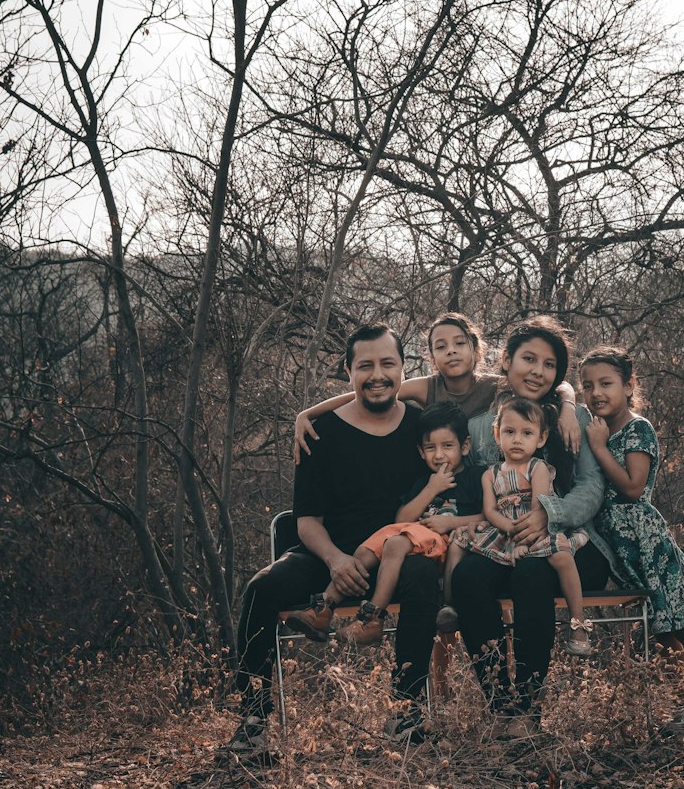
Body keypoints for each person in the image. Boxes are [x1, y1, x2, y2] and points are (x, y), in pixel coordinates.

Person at [225, 323, 440, 759]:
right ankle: (252, 721)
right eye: (365, 365)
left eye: (388, 364)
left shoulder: (423, 428)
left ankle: (406, 710)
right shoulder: (320, 434)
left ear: (403, 369)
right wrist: (336, 559)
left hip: (397, 555)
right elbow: (306, 521)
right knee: (262, 588)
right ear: (348, 372)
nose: (377, 374)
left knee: (421, 574)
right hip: (327, 554)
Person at [451, 316, 612, 738]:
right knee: (467, 576)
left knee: (533, 573)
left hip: (570, 545)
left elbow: (592, 489)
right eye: (528, 359)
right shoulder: (481, 426)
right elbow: (477, 490)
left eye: (549, 364)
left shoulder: (570, 418)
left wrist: (548, 512)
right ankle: (498, 704)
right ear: (507, 361)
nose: (538, 371)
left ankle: (526, 707)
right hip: (502, 536)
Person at [581, 345, 684, 721]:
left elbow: (634, 488)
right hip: (615, 543)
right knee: (658, 626)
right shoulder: (593, 427)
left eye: (606, 383)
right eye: (587, 385)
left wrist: (600, 450)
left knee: (681, 621)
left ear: (629, 385)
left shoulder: (638, 428)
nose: (596, 392)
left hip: (643, 538)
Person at [292, 311, 583, 459]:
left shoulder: (493, 385)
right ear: (432, 358)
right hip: (441, 464)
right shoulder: (426, 387)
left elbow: (556, 386)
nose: (452, 351)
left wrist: (568, 409)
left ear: (476, 350)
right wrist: (309, 414)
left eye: (459, 344)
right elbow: (364, 394)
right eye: (441, 347)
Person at [449, 396, 593, 656]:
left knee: (562, 556)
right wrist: (508, 528)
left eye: (527, 433)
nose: (517, 439)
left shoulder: (537, 468)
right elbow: (490, 510)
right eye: (510, 432)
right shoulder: (490, 474)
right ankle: (449, 605)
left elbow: (539, 507)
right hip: (506, 532)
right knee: (459, 544)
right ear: (497, 433)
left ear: (541, 438)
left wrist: (523, 541)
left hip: (536, 529)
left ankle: (579, 622)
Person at [340, 403, 483, 646]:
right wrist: (431, 489)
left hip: (452, 548)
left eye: (447, 446)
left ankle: (373, 618)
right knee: (371, 547)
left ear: (465, 446)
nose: (439, 455)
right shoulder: (424, 483)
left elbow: (491, 516)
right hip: (421, 549)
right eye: (430, 448)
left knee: (395, 544)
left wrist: (451, 522)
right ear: (421, 451)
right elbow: (401, 519)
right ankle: (326, 603)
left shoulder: (477, 477)